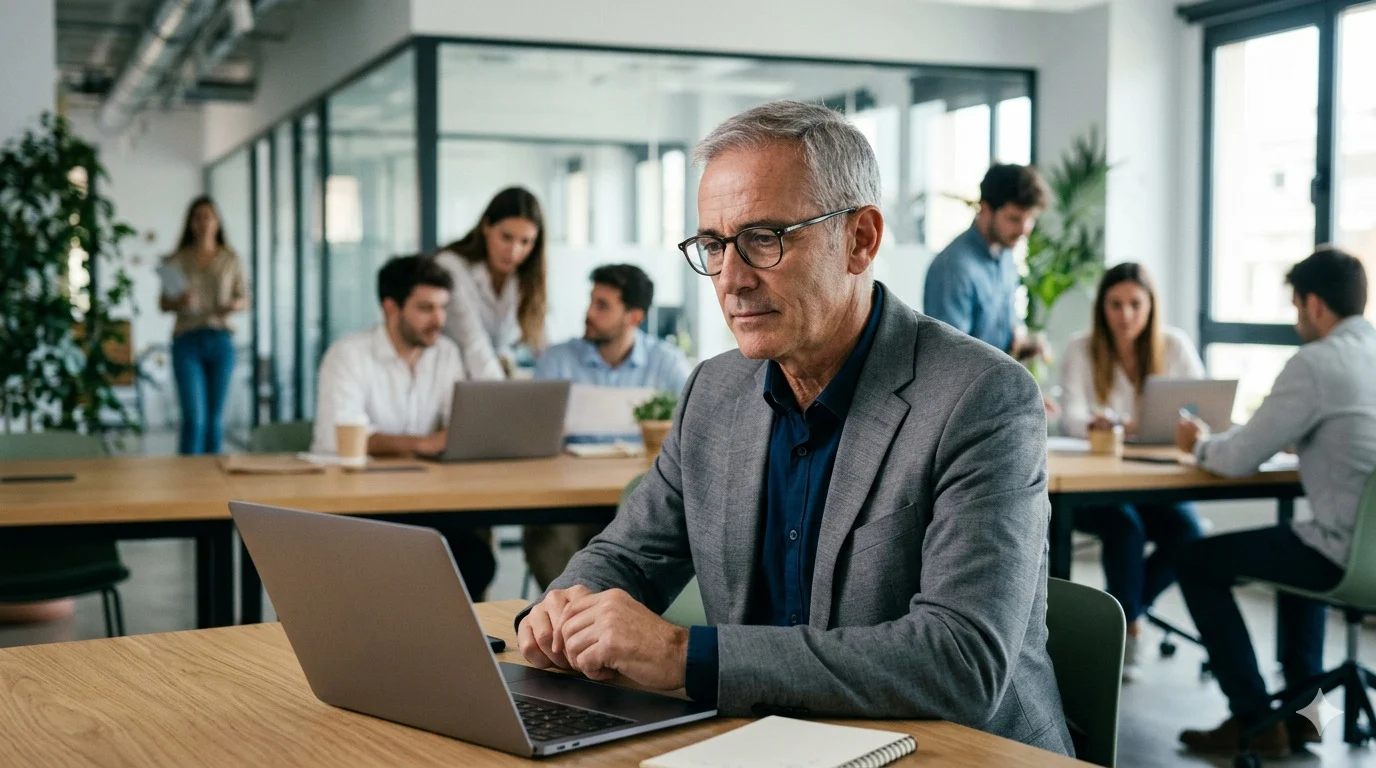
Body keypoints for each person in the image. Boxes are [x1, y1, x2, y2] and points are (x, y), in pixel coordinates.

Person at [514, 101, 1072, 755]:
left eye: (764, 238)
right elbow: (629, 555)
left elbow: (960, 662)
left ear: (860, 240)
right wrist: (564, 607)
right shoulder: (714, 391)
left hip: (952, 752)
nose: (731, 279)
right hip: (765, 743)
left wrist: (684, 656)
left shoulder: (981, 397)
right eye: (714, 245)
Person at [1175, 247, 1376, 758]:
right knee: (1298, 549)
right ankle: (1304, 720)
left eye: (1296, 307)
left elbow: (1239, 457)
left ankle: (1254, 719)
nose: (1296, 320)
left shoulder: (1316, 363)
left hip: (1344, 555)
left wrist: (1198, 444)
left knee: (1196, 561)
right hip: (1364, 550)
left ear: (1314, 304)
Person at [310, 255, 502, 600]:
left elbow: (458, 424)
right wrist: (423, 443)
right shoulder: (348, 355)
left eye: (442, 308)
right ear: (391, 308)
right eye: (426, 308)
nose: (439, 320)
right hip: (354, 511)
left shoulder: (445, 353)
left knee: (475, 560)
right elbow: (340, 438)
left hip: (424, 504)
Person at [1059, 262, 1205, 680]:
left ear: (1151, 306)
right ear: (1102, 307)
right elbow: (1071, 417)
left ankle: (1125, 614)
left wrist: (1130, 425)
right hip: (1095, 485)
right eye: (1115, 304)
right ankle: (1129, 631)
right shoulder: (1081, 348)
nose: (1125, 315)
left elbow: (1199, 410)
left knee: (1189, 535)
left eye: (1135, 304)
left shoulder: (1174, 347)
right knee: (1125, 528)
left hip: (1153, 481)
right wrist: (1100, 425)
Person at [524, 264, 693, 590]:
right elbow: (532, 436)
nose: (589, 312)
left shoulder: (667, 364)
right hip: (567, 501)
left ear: (634, 317)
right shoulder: (556, 361)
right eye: (591, 301)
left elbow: (691, 435)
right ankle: (573, 615)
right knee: (548, 538)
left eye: (602, 305)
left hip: (639, 498)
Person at [923, 164, 1048, 361]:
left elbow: (1005, 326)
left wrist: (1021, 340)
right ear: (986, 209)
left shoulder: (1006, 255)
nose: (1024, 230)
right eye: (1014, 219)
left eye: (1030, 219)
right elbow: (950, 357)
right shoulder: (953, 268)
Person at [160, 196, 248, 455]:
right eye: (197, 218)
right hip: (187, 340)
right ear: (190, 223)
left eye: (207, 217)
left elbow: (245, 298)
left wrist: (233, 305)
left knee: (214, 421)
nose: (202, 223)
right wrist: (180, 301)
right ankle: (187, 477)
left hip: (220, 340)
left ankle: (211, 477)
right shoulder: (176, 260)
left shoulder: (231, 259)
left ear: (217, 222)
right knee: (194, 419)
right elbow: (163, 303)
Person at [434, 187, 548, 370]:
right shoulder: (451, 267)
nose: (514, 251)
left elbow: (542, 341)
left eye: (525, 242)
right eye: (506, 237)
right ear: (486, 226)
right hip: (452, 373)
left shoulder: (524, 278)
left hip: (493, 376)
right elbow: (473, 344)